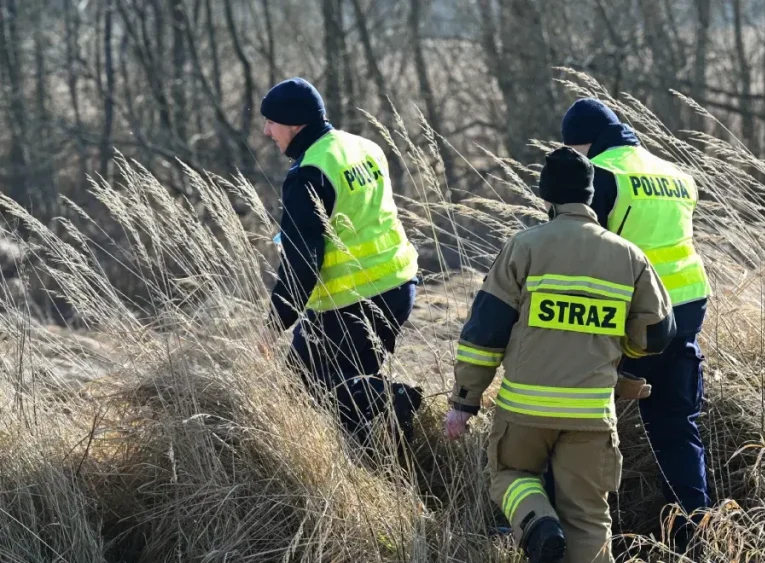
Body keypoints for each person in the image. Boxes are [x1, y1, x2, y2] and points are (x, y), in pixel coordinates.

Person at [444, 147, 677, 563]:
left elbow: (485, 333)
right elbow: (657, 333)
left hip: (525, 410)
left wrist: (465, 401)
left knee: (511, 475)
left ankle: (538, 523)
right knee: (588, 518)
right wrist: (615, 346)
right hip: (591, 414)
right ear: (590, 196)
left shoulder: (524, 248)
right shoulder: (629, 256)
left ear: (546, 198)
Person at [560, 98, 713, 550]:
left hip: (628, 321)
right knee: (677, 428)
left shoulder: (600, 175)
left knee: (575, 421)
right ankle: (694, 536)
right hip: (685, 315)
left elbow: (580, 250)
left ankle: (578, 534)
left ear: (581, 143)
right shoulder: (676, 175)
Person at [258, 77, 423, 445]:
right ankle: (385, 456)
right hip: (398, 286)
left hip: (349, 301)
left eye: (271, 121)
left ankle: (392, 400)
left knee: (299, 389)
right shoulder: (364, 146)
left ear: (295, 124)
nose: (266, 130)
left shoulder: (308, 174)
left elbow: (302, 262)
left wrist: (273, 325)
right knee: (348, 385)